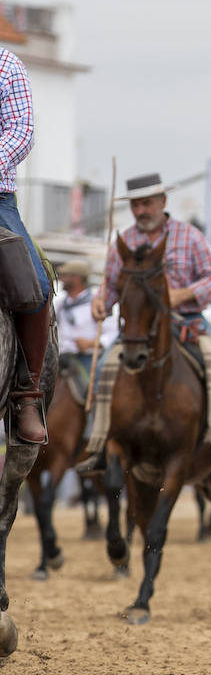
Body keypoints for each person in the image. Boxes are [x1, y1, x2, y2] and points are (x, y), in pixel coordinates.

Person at [76, 173, 211, 478]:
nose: (141, 211)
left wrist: (182, 294)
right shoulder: (124, 241)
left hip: (189, 321)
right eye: (136, 205)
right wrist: (100, 301)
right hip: (138, 330)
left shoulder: (190, 236)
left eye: (147, 203)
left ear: (163, 202)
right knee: (103, 369)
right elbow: (112, 284)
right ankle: (99, 444)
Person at [0, 39, 51, 444]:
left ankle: (26, 395)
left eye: (147, 202)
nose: (141, 209)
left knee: (36, 283)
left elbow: (22, 131)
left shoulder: (7, 65)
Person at [53, 260, 112, 375]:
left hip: (85, 358)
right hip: (61, 358)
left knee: (94, 386)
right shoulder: (60, 304)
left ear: (77, 279)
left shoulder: (96, 304)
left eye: (65, 276)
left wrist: (91, 343)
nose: (61, 279)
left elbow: (112, 333)